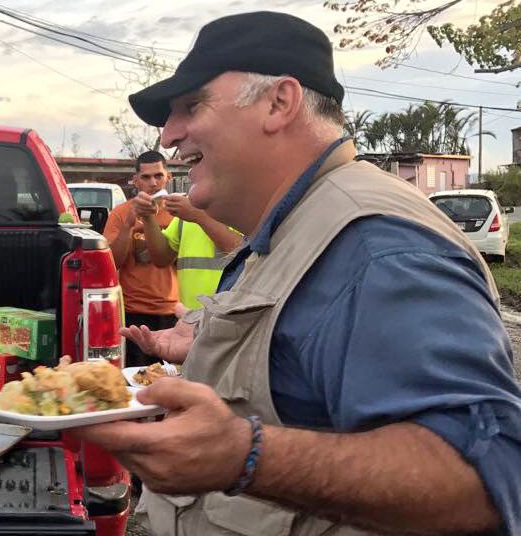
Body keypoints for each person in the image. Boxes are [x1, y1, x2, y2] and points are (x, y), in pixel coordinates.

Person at [73, 11, 520, 536]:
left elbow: (485, 478)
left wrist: (246, 456)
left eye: (191, 106)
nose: (169, 135)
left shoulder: (379, 247)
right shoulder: (291, 223)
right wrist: (210, 348)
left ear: (278, 103)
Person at [102, 151, 178, 366]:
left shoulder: (179, 212)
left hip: (173, 311)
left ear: (168, 177)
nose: (153, 183)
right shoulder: (120, 213)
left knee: (172, 379)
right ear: (135, 181)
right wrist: (128, 224)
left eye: (158, 176)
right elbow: (112, 263)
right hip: (134, 311)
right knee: (137, 378)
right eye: (145, 177)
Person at [143, 190, 242, 310]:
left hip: (232, 315)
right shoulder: (187, 211)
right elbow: (161, 259)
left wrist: (198, 216)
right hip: (190, 315)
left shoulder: (242, 206)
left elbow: (243, 254)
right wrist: (148, 217)